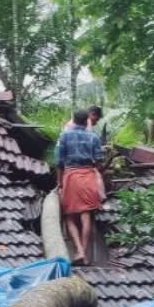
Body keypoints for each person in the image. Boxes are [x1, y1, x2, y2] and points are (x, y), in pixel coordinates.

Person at [55, 109, 106, 265]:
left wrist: (60, 182)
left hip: (71, 177)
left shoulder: (65, 136)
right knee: (86, 216)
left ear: (74, 120)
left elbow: (59, 163)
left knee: (69, 215)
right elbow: (99, 160)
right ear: (86, 121)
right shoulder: (93, 137)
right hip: (89, 176)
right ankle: (84, 253)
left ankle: (79, 251)